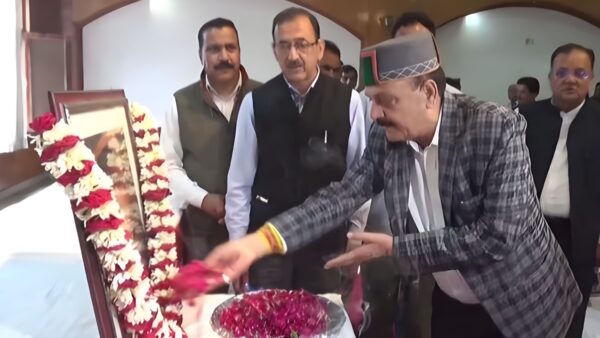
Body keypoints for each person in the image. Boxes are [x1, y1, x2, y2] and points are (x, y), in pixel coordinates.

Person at [207, 32, 582, 338]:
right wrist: (262, 240)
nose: (374, 114)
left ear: (430, 94)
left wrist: (395, 248)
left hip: (521, 304)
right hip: (451, 302)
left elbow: (498, 237)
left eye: (386, 101)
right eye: (371, 101)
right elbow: (344, 193)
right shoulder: (387, 134)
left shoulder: (494, 127)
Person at [225, 7, 368, 294]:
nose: (293, 55)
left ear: (319, 48)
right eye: (284, 45)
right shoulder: (256, 102)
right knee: (266, 322)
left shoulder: (348, 101)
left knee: (320, 325)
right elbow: (240, 183)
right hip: (267, 242)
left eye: (302, 44)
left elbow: (361, 175)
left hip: (326, 243)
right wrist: (238, 244)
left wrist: (355, 234)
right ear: (274, 50)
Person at [161, 18, 260, 264]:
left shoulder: (265, 97)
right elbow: (168, 166)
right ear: (201, 55)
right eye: (214, 49)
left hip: (256, 228)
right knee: (204, 299)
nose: (224, 56)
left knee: (258, 300)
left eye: (230, 47)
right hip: (200, 233)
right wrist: (203, 199)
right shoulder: (181, 102)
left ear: (239, 51)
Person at [520, 43, 600, 338]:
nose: (571, 79)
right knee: (524, 310)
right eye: (562, 72)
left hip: (577, 236)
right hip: (529, 235)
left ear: (590, 77)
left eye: (581, 72)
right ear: (551, 76)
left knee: (571, 312)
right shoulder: (525, 119)